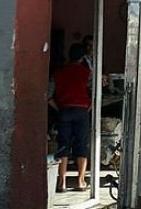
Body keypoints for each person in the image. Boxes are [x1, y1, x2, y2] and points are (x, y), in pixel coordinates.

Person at [50, 43, 92, 192]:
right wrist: (88, 107)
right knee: (81, 145)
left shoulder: (58, 73)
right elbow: (94, 92)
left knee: (63, 146)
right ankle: (81, 182)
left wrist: (59, 108)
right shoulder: (87, 73)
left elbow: (49, 96)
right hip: (81, 111)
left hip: (64, 111)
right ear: (82, 58)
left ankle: (62, 183)